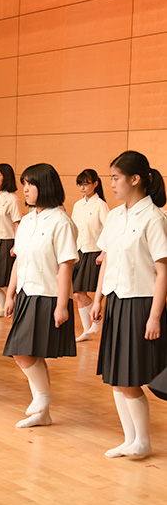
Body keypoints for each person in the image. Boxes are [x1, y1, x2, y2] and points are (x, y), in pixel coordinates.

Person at [91, 151, 167, 459]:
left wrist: (154, 316)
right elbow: (106, 259)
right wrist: (98, 297)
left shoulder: (154, 217)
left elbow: (163, 271)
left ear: (135, 179)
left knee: (131, 378)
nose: (111, 184)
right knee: (116, 376)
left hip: (141, 304)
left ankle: (143, 441)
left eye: (115, 178)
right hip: (117, 302)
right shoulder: (114, 215)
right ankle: (130, 439)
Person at [2, 164, 78, 428]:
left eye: (30, 184)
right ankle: (42, 413)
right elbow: (18, 260)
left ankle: (43, 396)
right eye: (24, 183)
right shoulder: (27, 221)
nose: (25, 189)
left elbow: (65, 266)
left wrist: (62, 305)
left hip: (47, 295)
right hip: (25, 293)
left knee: (22, 352)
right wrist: (10, 295)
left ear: (45, 186)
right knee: (32, 353)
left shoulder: (61, 221)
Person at [71, 169, 109, 341]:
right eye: (80, 184)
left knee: (79, 292)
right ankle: (87, 330)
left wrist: (103, 252)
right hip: (78, 251)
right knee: (77, 292)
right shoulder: (78, 205)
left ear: (95, 184)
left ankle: (97, 320)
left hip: (93, 252)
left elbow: (109, 230)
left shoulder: (101, 205)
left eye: (86, 183)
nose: (83, 187)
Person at [0, 163, 22, 317]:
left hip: (7, 241)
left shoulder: (13, 199)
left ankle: (14, 304)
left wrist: (16, 245)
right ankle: (2, 308)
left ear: (5, 177)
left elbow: (17, 223)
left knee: (4, 279)